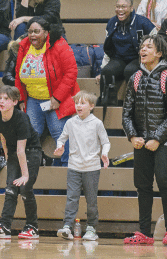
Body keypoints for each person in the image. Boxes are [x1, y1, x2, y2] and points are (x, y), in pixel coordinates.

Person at [122, 35, 167, 245]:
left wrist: (158, 138)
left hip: (163, 141)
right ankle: (143, 232)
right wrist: (132, 135)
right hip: (141, 141)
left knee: (165, 182)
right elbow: (126, 114)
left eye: (149, 46)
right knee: (143, 186)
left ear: (159, 52)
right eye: (142, 46)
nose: (143, 49)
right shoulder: (135, 77)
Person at [15, 17, 79, 166]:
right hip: (33, 99)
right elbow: (18, 74)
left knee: (59, 132)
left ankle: (68, 166)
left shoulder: (59, 45)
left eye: (36, 31)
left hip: (55, 98)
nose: (32, 35)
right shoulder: (24, 45)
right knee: (32, 133)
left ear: (46, 33)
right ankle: (31, 166)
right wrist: (21, 99)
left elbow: (71, 72)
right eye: (30, 32)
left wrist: (57, 98)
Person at [0, 85, 41, 239]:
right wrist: (8, 158)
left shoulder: (21, 117)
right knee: (10, 189)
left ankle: (32, 227)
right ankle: (5, 226)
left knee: (24, 187)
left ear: (15, 102)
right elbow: (3, 136)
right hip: (15, 153)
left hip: (31, 152)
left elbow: (22, 150)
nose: (2, 101)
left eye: (6, 99)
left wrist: (25, 175)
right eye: (0, 98)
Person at [55, 91, 110, 241]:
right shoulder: (70, 122)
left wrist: (104, 153)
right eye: (76, 103)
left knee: (91, 200)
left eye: (82, 103)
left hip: (91, 168)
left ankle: (92, 228)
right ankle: (67, 226)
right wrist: (60, 146)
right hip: (74, 167)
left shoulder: (97, 123)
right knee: (71, 198)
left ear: (91, 106)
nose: (78, 106)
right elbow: (62, 138)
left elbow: (105, 142)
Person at [99, 0, 155, 106]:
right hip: (119, 58)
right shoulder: (112, 23)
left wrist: (154, 65)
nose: (120, 10)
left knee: (130, 70)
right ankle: (109, 103)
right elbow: (107, 48)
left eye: (123, 7)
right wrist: (103, 68)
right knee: (107, 71)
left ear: (131, 8)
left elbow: (158, 42)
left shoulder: (142, 22)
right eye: (118, 7)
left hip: (138, 58)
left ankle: (135, 102)